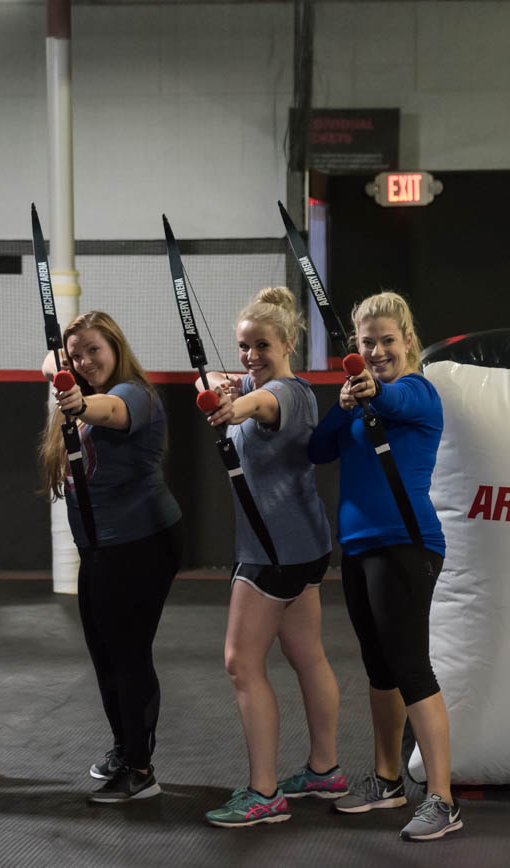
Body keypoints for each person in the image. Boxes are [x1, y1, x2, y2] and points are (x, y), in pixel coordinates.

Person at [308, 291, 462, 841]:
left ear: (409, 341)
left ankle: (442, 799)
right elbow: (318, 448)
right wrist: (345, 404)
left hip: (407, 543)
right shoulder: (357, 397)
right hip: (359, 548)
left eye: (386, 341)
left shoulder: (417, 390)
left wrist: (371, 392)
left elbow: (396, 401)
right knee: (379, 669)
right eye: (366, 342)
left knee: (410, 666)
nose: (376, 351)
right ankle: (387, 780)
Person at [196, 287, 344, 828]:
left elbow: (265, 404)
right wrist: (226, 388)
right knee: (307, 655)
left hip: (271, 553)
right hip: (300, 546)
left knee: (241, 663)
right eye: (243, 346)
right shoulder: (255, 385)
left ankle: (264, 794)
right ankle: (324, 769)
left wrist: (237, 402)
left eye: (262, 345)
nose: (251, 355)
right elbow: (223, 387)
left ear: (287, 344)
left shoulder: (286, 393)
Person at [39, 311, 183, 804]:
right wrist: (59, 368)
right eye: (76, 354)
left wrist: (77, 397)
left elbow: (109, 412)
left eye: (94, 350)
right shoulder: (71, 383)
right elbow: (49, 362)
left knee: (128, 654)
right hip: (100, 546)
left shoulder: (133, 395)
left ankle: (141, 770)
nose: (85, 360)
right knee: (104, 652)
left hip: (142, 541)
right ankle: (126, 748)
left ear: (116, 347)